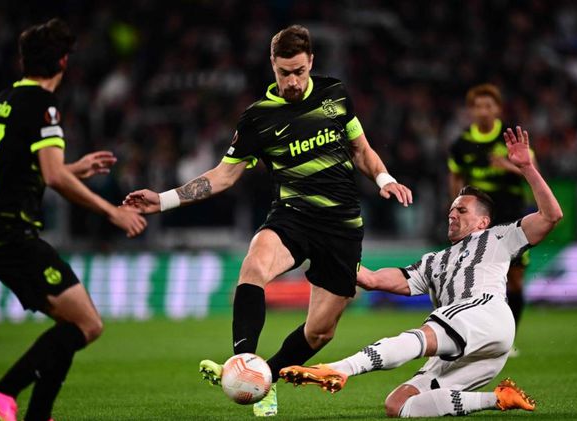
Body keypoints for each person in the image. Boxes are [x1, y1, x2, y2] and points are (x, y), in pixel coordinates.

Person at [123, 24, 412, 417]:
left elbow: (361, 150)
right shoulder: (258, 119)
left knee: (320, 332)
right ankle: (242, 363)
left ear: (311, 63)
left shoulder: (336, 95)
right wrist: (164, 200)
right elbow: (223, 176)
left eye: (299, 72)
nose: (292, 81)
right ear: (272, 66)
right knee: (254, 264)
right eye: (284, 73)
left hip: (341, 226)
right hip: (293, 216)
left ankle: (265, 378)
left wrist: (385, 179)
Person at [281, 127, 562, 417]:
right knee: (399, 405)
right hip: (474, 343)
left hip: (485, 313)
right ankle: (498, 398)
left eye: (462, 211)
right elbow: (371, 279)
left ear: (483, 222)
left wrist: (527, 168)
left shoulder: (498, 237)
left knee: (420, 337)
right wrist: (321, 251)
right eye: (451, 209)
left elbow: (551, 216)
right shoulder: (433, 262)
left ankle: (341, 368)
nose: (452, 214)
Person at [0, 18, 147, 421]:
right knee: (88, 324)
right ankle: (1, 392)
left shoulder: (4, 99)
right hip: (12, 233)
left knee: (72, 324)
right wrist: (112, 211)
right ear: (64, 62)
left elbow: (23, 168)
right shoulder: (43, 105)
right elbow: (52, 177)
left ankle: (38, 415)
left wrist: (75, 168)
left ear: (24, 61)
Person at [448, 84, 533, 355]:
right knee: (472, 277)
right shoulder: (461, 144)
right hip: (479, 221)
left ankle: (509, 339)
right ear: (471, 110)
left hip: (512, 219)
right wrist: (457, 210)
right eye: (478, 106)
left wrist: (508, 165)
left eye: (489, 106)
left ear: (498, 108)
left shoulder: (511, 137)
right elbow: (456, 178)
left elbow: (533, 172)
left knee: (514, 279)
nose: (483, 111)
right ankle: (471, 336)